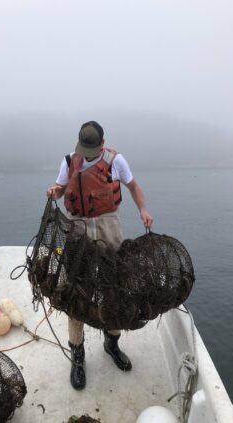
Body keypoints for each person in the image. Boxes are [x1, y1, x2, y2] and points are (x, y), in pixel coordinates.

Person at [46, 121, 153, 390]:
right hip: (77, 228)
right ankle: (78, 355)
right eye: (85, 149)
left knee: (113, 287)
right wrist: (54, 191)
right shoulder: (69, 161)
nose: (88, 154)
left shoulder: (116, 161)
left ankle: (111, 343)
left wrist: (143, 210)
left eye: (92, 150)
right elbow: (60, 188)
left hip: (108, 225)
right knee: (75, 290)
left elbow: (133, 186)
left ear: (103, 143)